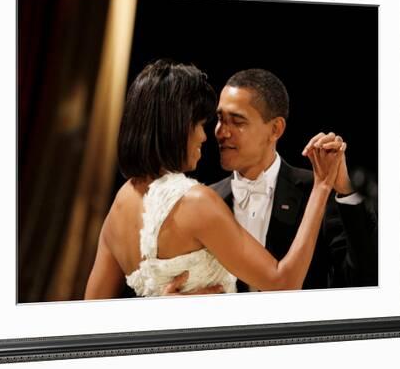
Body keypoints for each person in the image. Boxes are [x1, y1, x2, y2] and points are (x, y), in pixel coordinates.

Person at [85, 60, 347, 299]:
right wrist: (322, 186)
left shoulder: (120, 202)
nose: (206, 136)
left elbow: (92, 313)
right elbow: (284, 283)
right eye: (200, 124)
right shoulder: (196, 201)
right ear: (176, 127)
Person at [168, 68, 376, 293]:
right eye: (220, 119)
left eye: (237, 121)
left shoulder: (316, 191)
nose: (221, 132)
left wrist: (345, 191)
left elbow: (362, 279)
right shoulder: (204, 200)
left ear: (275, 129)